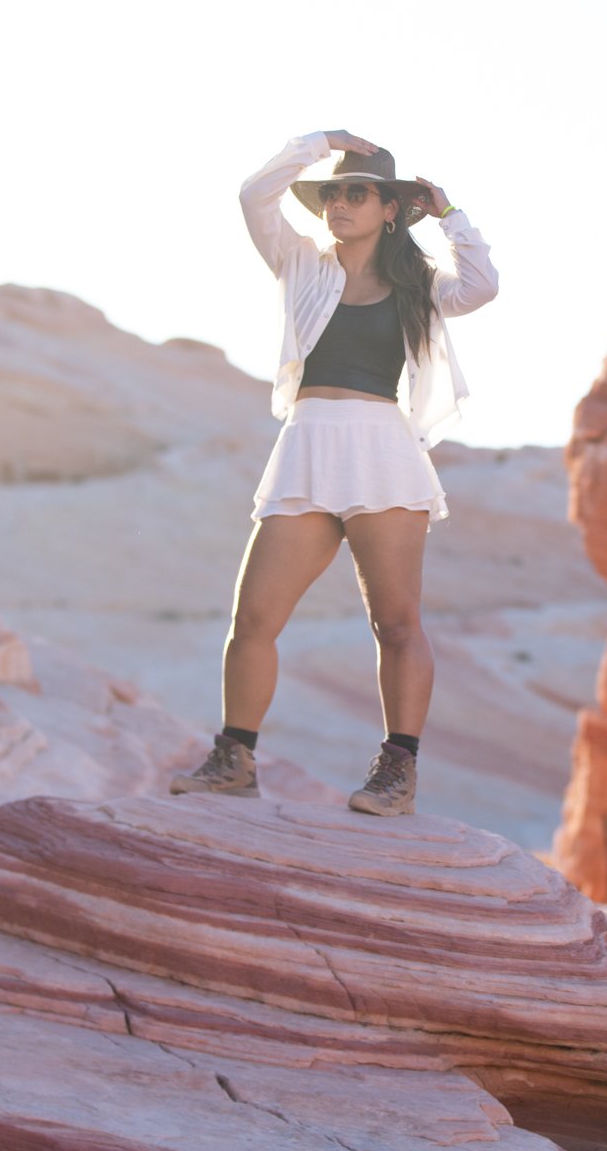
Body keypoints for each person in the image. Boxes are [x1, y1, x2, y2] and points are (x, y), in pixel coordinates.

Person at [168, 129, 498, 816]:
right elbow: (253, 195)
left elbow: (482, 284)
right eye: (334, 193)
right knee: (253, 617)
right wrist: (317, 143)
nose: (341, 203)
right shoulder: (299, 263)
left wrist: (448, 213)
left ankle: (397, 772)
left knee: (397, 622)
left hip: (382, 453)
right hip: (308, 447)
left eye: (358, 193)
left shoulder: (421, 287)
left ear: (389, 210)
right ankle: (235, 758)